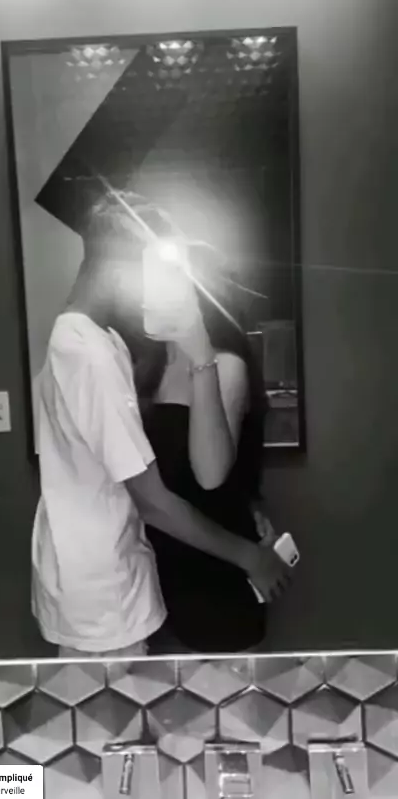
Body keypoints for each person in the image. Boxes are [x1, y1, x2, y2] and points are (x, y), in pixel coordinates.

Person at [32, 193, 289, 658]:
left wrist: (200, 352)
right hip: (111, 588)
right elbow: (150, 499)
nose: (158, 290)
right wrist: (250, 555)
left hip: (156, 575)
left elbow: (206, 472)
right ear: (122, 269)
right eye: (155, 273)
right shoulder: (94, 352)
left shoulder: (106, 343)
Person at [117, 197, 284, 653]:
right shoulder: (144, 366)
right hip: (156, 574)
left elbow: (210, 476)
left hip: (215, 583)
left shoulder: (224, 365)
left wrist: (200, 355)